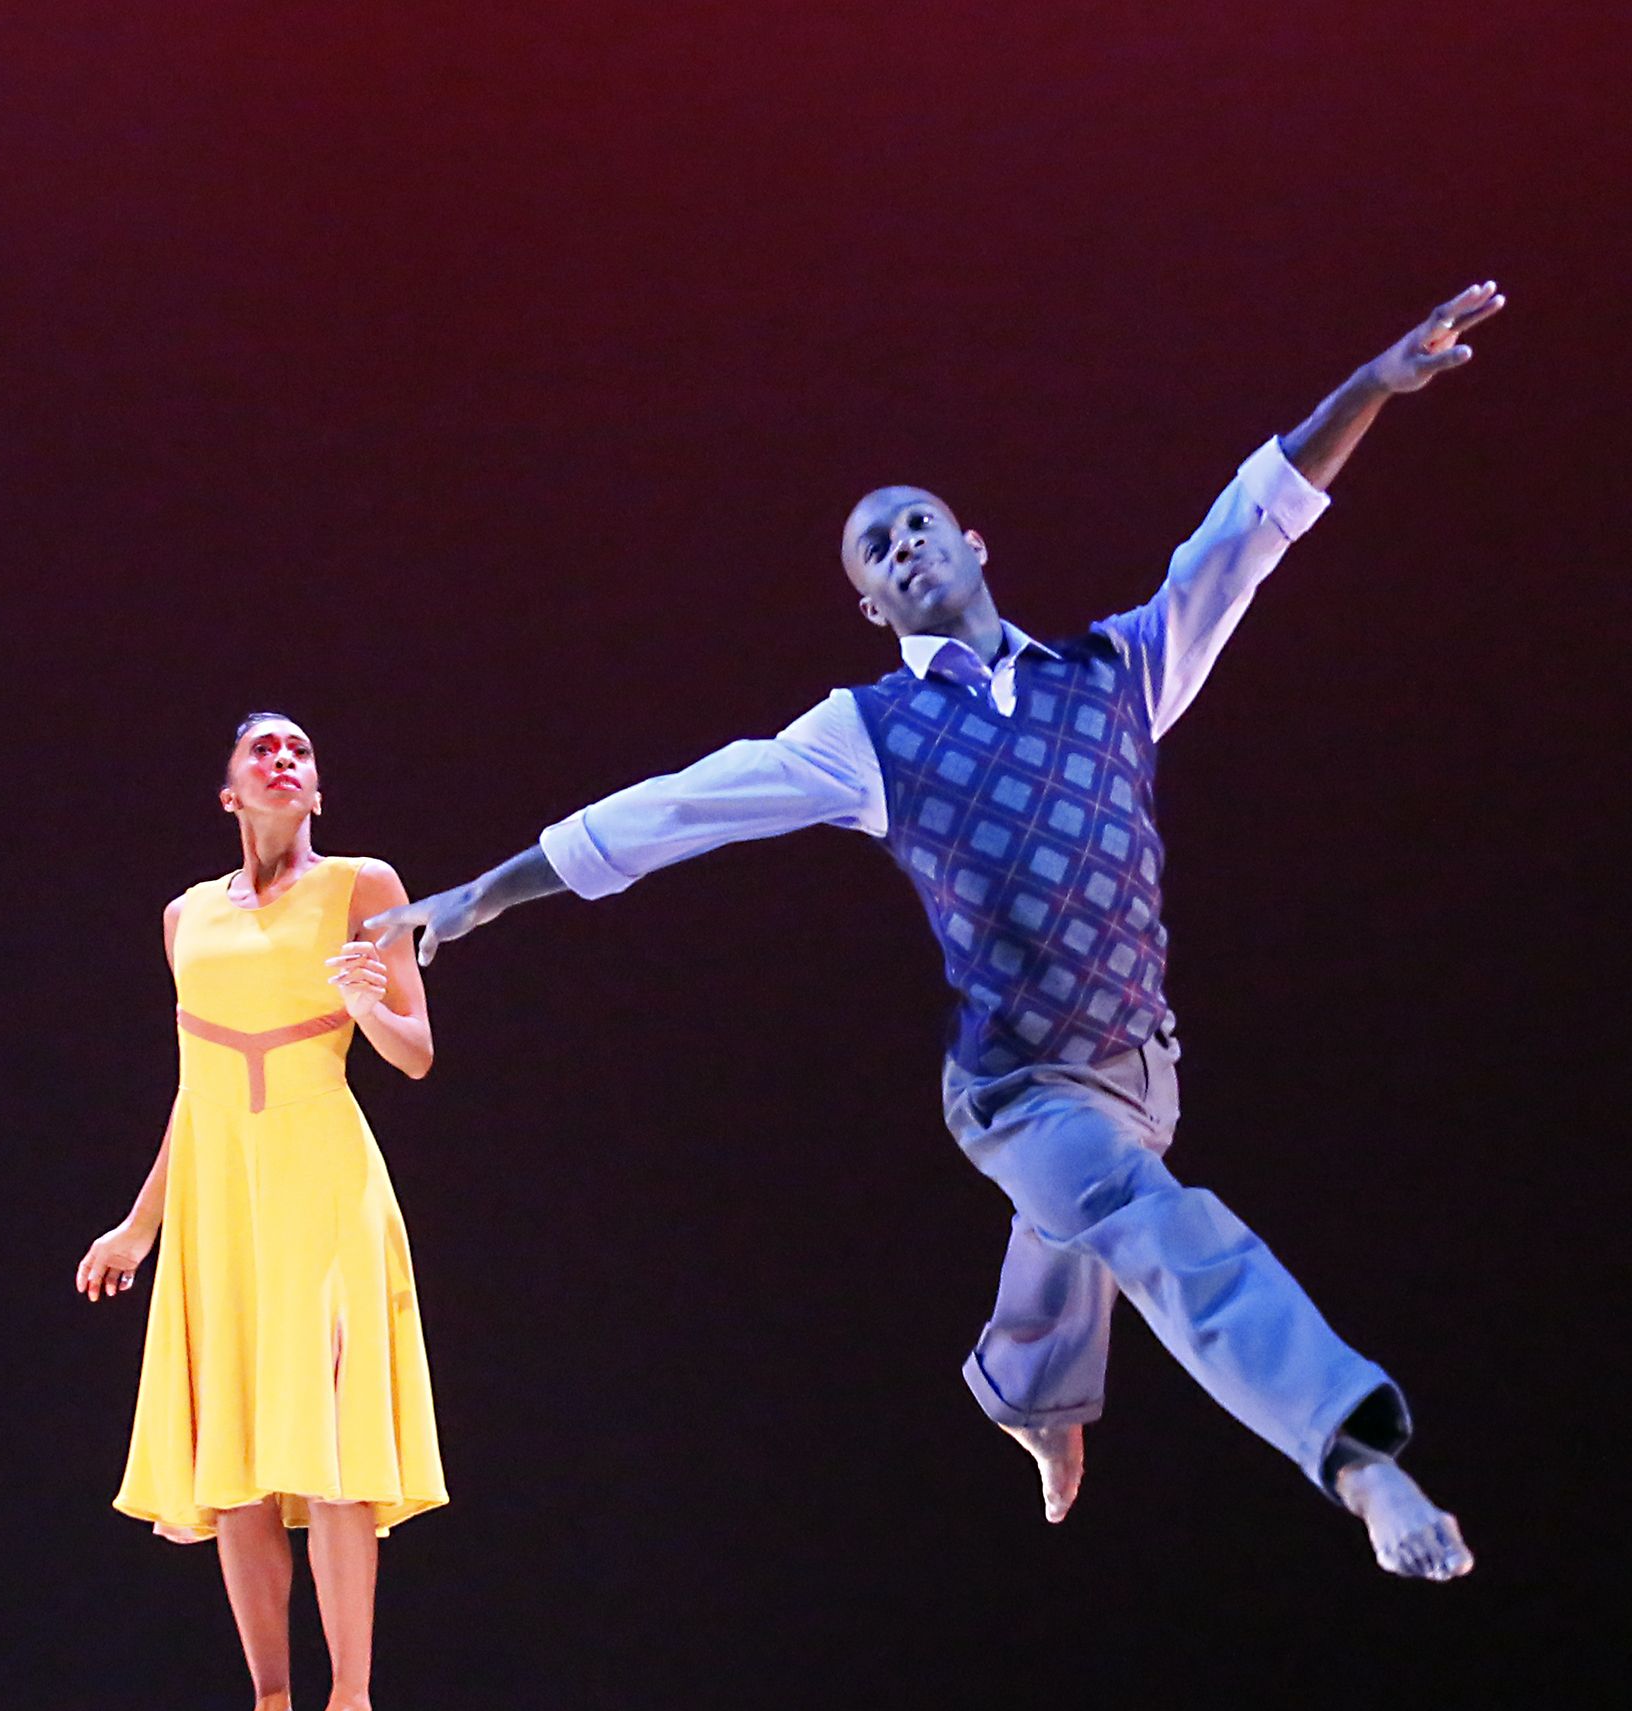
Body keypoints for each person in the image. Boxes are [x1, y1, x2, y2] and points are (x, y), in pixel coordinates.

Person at [372, 283, 1507, 1583]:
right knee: (1139, 1218)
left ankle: (1029, 1395)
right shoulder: (866, 735)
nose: (902, 548)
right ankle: (1361, 1463)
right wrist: (482, 893)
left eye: (915, 527)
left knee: (1079, 1220)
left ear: (972, 542)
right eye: (874, 553)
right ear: (871, 606)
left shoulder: (1119, 672)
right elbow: (676, 809)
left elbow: (1243, 536)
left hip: (1141, 1065)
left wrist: (1365, 387)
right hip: (1015, 1087)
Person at [78, 712, 446, 1711]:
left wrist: (368, 1001)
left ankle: (353, 1703)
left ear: (318, 792)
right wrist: (139, 1225)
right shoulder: (183, 916)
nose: (285, 760)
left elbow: (414, 1052)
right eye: (262, 750)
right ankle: (272, 1701)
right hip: (218, 1192)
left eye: (302, 752)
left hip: (321, 1176)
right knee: (230, 1444)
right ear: (229, 791)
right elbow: (195, 1085)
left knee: (325, 1438)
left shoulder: (363, 886)